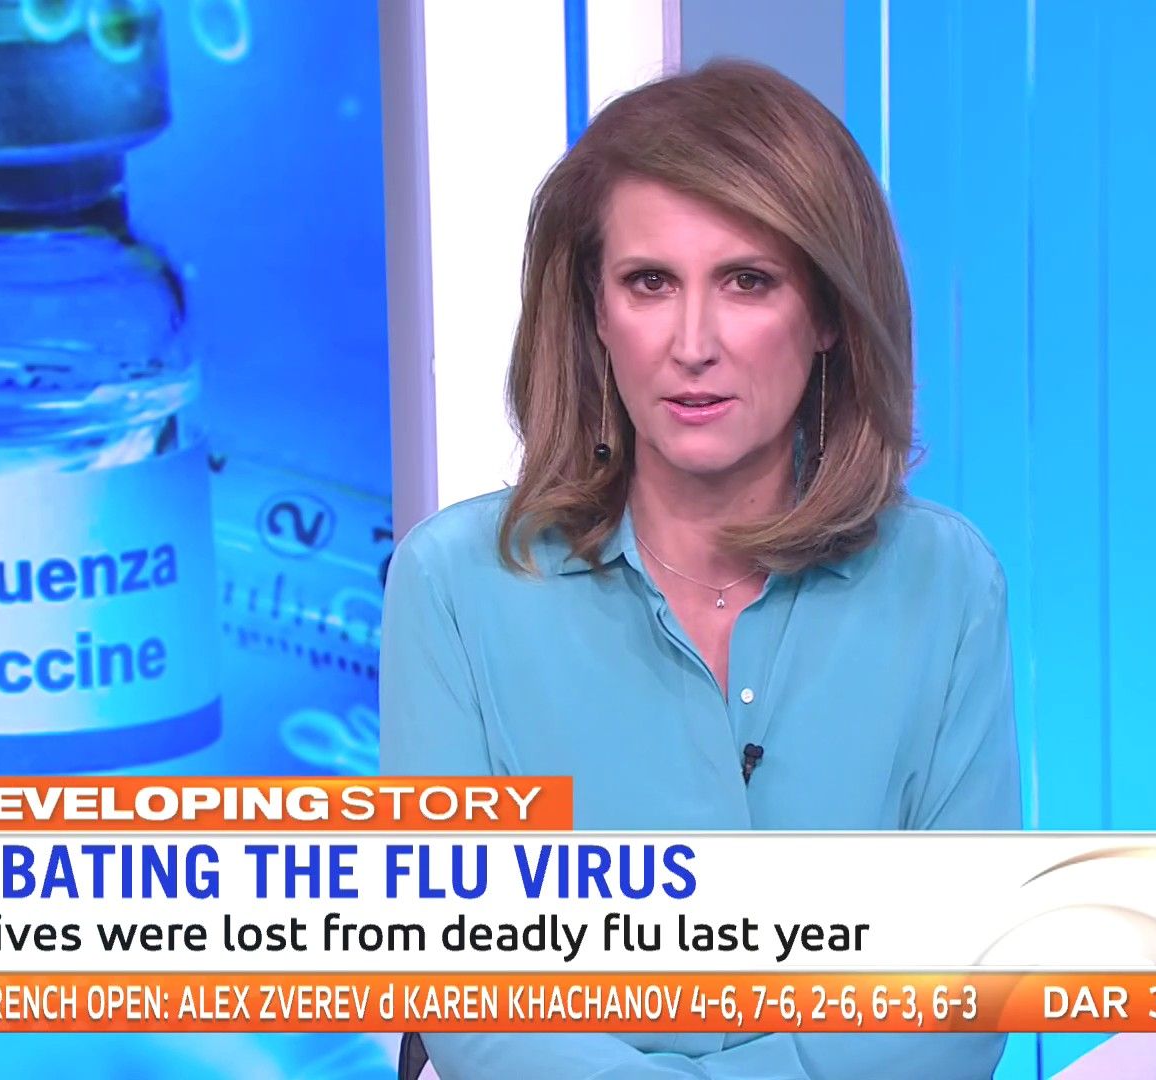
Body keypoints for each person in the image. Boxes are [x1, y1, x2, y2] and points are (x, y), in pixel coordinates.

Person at [379, 58, 1021, 1079]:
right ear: (595, 312)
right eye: (650, 283)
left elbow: (958, 998)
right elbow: (472, 1001)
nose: (692, 343)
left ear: (828, 314)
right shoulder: (456, 586)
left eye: (747, 282)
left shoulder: (945, 585)